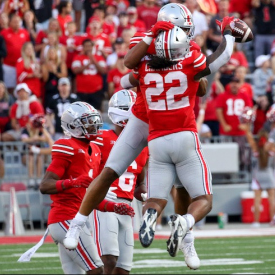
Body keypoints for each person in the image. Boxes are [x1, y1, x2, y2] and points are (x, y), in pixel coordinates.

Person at [63, 15, 236, 264]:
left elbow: (128, 76)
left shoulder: (155, 54)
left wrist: (144, 74)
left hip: (158, 127)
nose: (187, 33)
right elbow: (200, 80)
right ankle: (77, 225)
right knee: (114, 171)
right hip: (151, 121)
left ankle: (187, 243)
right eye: (183, 29)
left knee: (177, 188)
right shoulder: (181, 53)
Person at [39, 101, 135, 274]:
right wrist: (73, 182)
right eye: (88, 122)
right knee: (96, 270)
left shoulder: (96, 150)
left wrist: (114, 207)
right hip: (64, 219)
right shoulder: (67, 146)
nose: (94, 125)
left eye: (94, 121)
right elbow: (45, 186)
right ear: (73, 125)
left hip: (77, 219)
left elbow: (89, 198)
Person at [89, 90, 148, 274]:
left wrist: (145, 193)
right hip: (104, 202)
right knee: (108, 259)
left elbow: (139, 182)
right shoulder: (101, 139)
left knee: (123, 269)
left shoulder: (143, 146)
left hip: (127, 207)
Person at [251, 109, 275, 227]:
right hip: (269, 174)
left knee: (257, 200)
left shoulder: (257, 150)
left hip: (258, 175)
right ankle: (272, 220)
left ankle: (256, 222)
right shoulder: (271, 149)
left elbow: (249, 137)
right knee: (272, 199)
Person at [72, 38, 107, 111]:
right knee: (81, 112)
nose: (88, 48)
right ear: (83, 47)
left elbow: (103, 71)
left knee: (96, 111)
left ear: (92, 47)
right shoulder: (78, 57)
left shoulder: (99, 57)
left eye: (89, 46)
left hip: (96, 91)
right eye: (86, 46)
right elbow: (75, 70)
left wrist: (94, 61)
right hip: (82, 91)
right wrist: (87, 64)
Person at [0, 14, 31, 94]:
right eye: (14, 22)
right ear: (10, 23)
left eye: (18, 21)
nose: (17, 23)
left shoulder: (25, 32)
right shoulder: (4, 33)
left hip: (22, 65)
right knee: (9, 86)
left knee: (21, 86)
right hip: (9, 64)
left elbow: (28, 46)